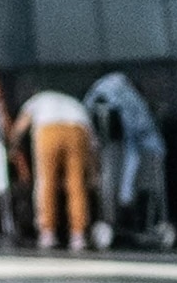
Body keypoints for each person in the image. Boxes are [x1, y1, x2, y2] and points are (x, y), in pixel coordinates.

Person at [84, 68, 167, 249]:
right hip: (130, 147)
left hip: (125, 147)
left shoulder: (106, 92)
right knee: (134, 185)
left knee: (122, 184)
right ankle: (128, 218)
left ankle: (123, 219)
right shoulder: (124, 94)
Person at [15, 83, 97, 250]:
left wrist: (12, 146)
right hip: (78, 129)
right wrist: (95, 171)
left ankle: (48, 233)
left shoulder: (37, 100)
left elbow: (21, 126)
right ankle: (78, 236)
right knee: (76, 184)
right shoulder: (74, 102)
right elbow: (93, 142)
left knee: (46, 182)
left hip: (48, 129)